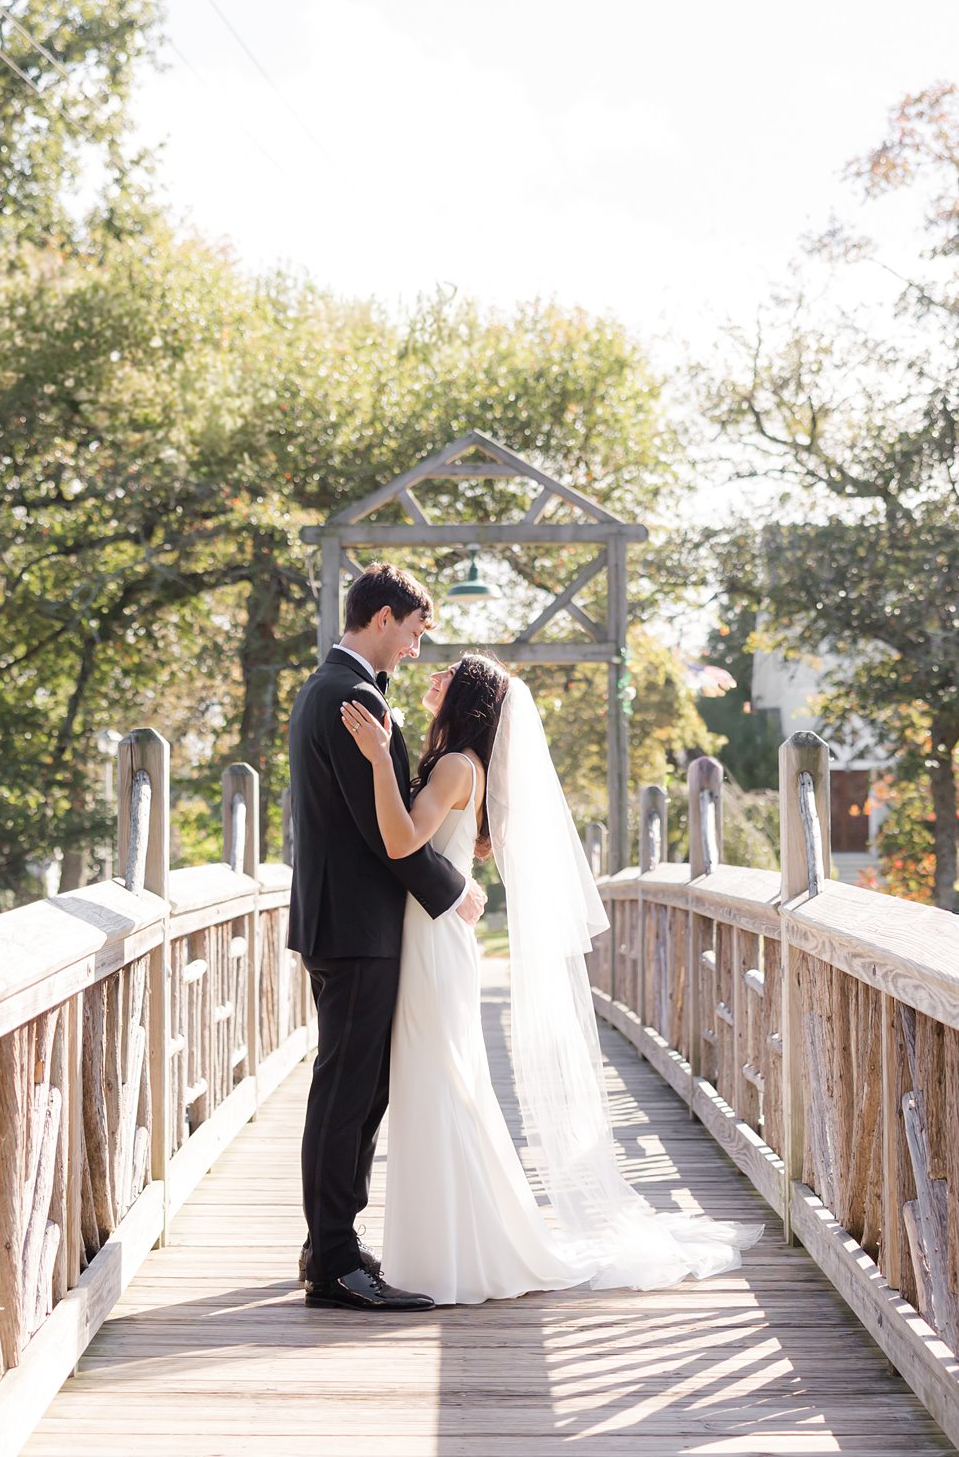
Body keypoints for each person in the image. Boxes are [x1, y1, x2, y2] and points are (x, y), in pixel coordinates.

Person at [339, 652, 759, 1305]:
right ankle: (451, 1248)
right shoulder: (461, 765)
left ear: (467, 696)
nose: (432, 675)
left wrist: (375, 757)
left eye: (448, 672)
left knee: (439, 1083)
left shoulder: (455, 767)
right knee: (443, 1083)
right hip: (435, 937)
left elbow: (400, 843)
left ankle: (457, 1255)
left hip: (432, 942)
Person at [285, 562, 484, 1311]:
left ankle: (329, 1241)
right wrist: (452, 892)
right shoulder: (352, 696)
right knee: (347, 1093)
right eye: (412, 630)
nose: (415, 648)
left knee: (357, 1090)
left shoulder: (329, 687)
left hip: (345, 920)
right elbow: (383, 832)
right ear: (382, 616)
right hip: (358, 926)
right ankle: (334, 1261)